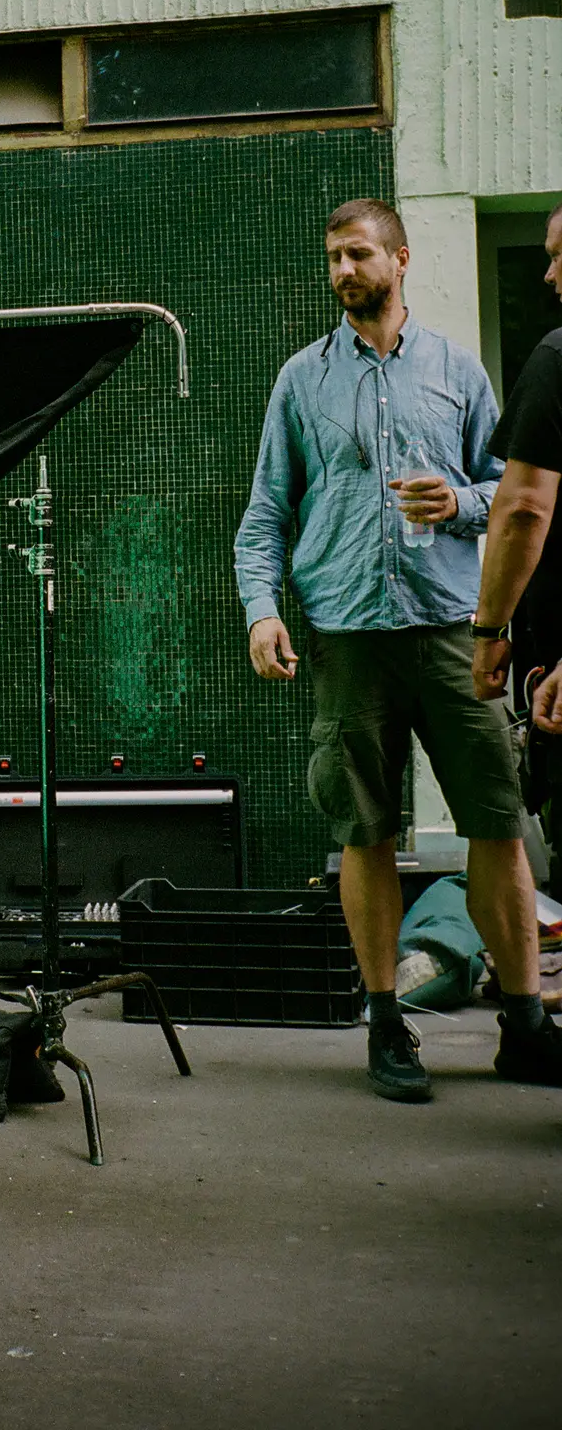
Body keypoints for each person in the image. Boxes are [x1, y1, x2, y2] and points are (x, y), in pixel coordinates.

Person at [234, 199, 562, 1102]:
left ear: (401, 260)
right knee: (362, 832)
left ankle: (524, 1024)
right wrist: (262, 610)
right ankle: (384, 1022)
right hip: (345, 640)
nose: (342, 270)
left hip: (454, 634)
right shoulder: (301, 380)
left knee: (496, 823)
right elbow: (264, 515)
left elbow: (512, 489)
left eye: (357, 254)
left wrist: (454, 503)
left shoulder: (458, 369)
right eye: (332, 257)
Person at [471, 199, 562, 915]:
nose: (549, 275)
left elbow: (522, 507)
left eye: (560, 256)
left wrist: (488, 629)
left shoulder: (556, 359)